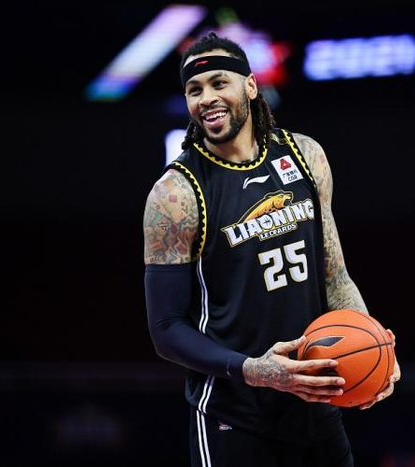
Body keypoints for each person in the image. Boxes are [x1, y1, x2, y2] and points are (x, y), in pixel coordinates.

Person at [143, 32, 400, 467]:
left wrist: (375, 347)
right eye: (194, 90)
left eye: (219, 83)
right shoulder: (175, 194)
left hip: (314, 405)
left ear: (250, 85)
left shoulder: (305, 156)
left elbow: (335, 277)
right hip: (234, 416)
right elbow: (166, 329)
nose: (207, 98)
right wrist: (253, 369)